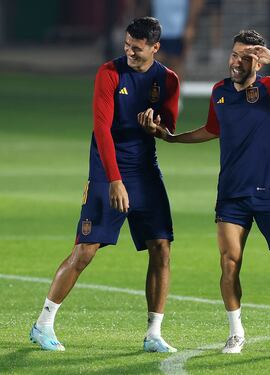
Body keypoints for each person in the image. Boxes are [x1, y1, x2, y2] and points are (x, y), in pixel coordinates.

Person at [138, 29, 270, 354]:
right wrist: (171, 137)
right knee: (228, 263)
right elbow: (213, 129)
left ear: (259, 61)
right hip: (231, 195)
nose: (236, 62)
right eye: (234, 54)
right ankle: (236, 332)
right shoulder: (219, 91)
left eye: (246, 57)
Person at [30, 17, 180, 353]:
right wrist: (114, 180)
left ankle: (154, 333)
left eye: (137, 48)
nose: (129, 51)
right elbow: (102, 130)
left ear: (155, 47)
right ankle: (43, 325)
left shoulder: (167, 79)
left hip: (146, 172)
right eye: (127, 45)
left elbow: (169, 127)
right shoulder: (109, 73)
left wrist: (156, 128)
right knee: (85, 251)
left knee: (161, 248)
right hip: (107, 171)